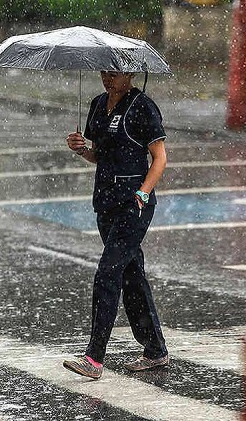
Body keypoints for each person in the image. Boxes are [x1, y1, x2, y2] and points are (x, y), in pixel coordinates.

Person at [62, 71, 169, 380]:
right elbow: (101, 155)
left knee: (108, 274)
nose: (108, 79)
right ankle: (155, 350)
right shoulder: (97, 104)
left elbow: (160, 158)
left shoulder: (142, 106)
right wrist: (81, 149)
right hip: (105, 203)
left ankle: (94, 358)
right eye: (104, 72)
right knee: (132, 275)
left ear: (131, 73)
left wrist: (143, 192)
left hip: (133, 205)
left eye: (115, 73)